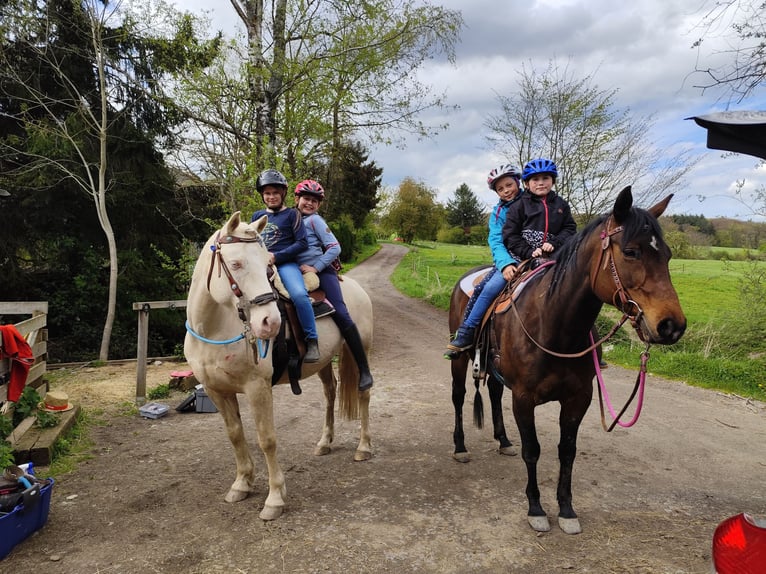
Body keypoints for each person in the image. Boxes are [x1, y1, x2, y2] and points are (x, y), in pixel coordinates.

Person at [293, 180, 373, 391]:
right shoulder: (290, 219)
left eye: (314, 201)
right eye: (306, 199)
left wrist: (315, 267)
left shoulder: (315, 221)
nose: (309, 203)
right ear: (297, 200)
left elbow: (334, 248)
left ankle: (364, 369)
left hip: (321, 270)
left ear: (318, 205)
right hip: (294, 270)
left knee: (340, 312)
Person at [445, 164, 524, 356]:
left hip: (538, 255)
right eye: (500, 189)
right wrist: (505, 263)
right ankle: (467, 331)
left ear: (517, 182)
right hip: (511, 260)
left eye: (509, 185)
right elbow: (496, 240)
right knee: (488, 289)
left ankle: (590, 343)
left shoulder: (532, 202)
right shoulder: (498, 213)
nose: (506, 191)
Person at [251, 169, 320, 362]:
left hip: (286, 265)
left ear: (283, 194)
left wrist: (276, 257)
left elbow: (302, 243)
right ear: (262, 195)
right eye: (267, 193)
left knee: (299, 295)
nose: (271, 197)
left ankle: (312, 340)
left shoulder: (292, 214)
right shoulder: (257, 216)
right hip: (261, 266)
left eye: (275, 193)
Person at [502, 157, 576, 263]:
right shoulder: (518, 206)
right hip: (522, 258)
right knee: (500, 279)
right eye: (535, 179)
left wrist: (554, 243)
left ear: (553, 181)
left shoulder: (562, 204)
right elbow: (510, 235)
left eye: (545, 178)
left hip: (554, 257)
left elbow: (569, 229)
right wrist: (528, 251)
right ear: (527, 184)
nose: (541, 183)